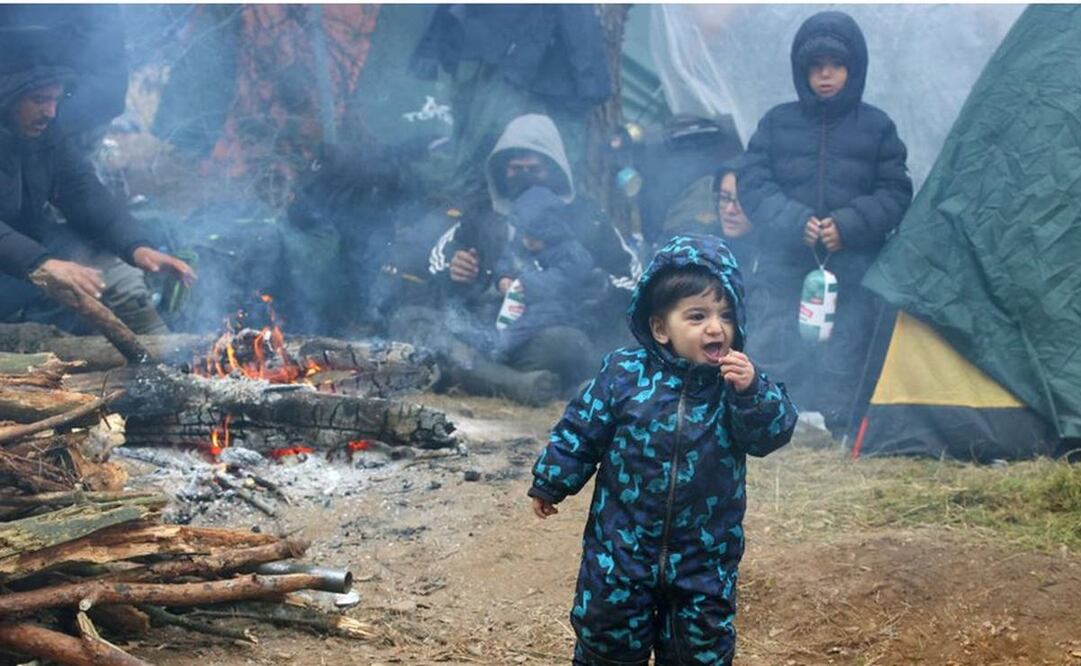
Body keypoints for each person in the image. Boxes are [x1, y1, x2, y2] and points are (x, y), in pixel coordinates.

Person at [528, 234, 797, 665]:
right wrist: (551, 480)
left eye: (726, 315)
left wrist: (753, 391)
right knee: (608, 640)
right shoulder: (623, 373)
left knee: (701, 649)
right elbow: (582, 429)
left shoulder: (735, 386)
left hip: (704, 557)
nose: (716, 327)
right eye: (697, 315)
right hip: (622, 548)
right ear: (660, 327)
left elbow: (770, 435)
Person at [737, 10, 912, 437]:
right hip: (786, 263)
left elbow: (896, 191)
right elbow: (753, 183)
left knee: (847, 347)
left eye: (836, 65)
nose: (826, 75)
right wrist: (795, 221)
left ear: (854, 69)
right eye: (816, 66)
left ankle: (838, 424)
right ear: (803, 71)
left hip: (852, 267)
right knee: (776, 340)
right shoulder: (777, 123)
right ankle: (768, 423)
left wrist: (849, 225)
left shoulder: (877, 126)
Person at [406, 113, 640, 403]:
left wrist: (598, 285)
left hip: (541, 338)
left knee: (568, 346)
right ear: (501, 170)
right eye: (516, 169)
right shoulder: (482, 214)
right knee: (410, 321)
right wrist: (455, 269)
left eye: (535, 169)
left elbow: (633, 280)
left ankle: (468, 373)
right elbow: (437, 262)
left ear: (556, 169)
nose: (525, 176)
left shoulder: (587, 218)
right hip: (479, 330)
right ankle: (515, 384)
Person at [0, 28, 195, 334]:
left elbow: (81, 189)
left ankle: (165, 355)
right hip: (15, 261)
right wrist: (41, 264)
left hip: (24, 253)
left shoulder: (45, 133)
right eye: (39, 100)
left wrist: (135, 246)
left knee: (112, 268)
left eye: (55, 99)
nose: (50, 112)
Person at [492, 185, 595, 366]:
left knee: (540, 315)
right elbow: (507, 260)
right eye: (525, 234)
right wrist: (504, 278)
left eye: (536, 236)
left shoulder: (571, 252)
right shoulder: (522, 243)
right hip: (517, 303)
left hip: (561, 307)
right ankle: (486, 338)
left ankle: (502, 343)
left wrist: (527, 283)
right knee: (490, 307)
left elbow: (563, 280)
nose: (528, 241)